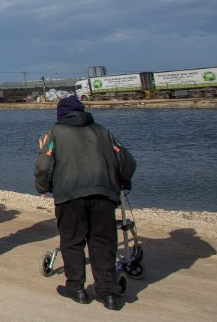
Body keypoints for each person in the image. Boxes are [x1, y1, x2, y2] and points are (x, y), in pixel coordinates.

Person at [35, 95, 136, 311]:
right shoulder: (102, 131)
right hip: (104, 193)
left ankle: (76, 288)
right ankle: (108, 292)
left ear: (60, 114)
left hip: (69, 195)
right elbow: (126, 160)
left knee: (72, 240)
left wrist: (43, 187)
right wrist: (122, 182)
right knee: (103, 242)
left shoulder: (54, 132)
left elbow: (44, 164)